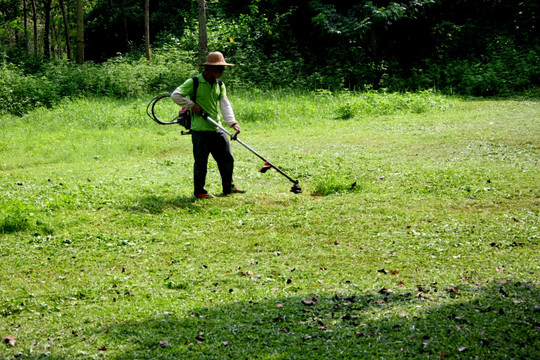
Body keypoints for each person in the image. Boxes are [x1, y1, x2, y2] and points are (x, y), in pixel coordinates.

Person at [171, 51, 245, 199]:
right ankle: (200, 191)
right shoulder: (194, 82)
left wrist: (232, 123)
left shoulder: (219, 84)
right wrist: (192, 105)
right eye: (220, 69)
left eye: (223, 68)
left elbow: (225, 104)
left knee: (227, 159)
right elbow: (175, 95)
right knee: (201, 162)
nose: (222, 71)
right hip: (200, 130)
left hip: (216, 128)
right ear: (210, 68)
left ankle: (228, 187)